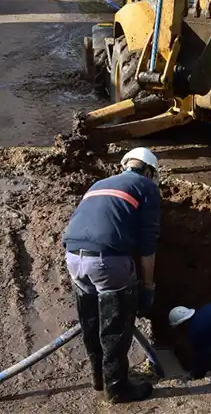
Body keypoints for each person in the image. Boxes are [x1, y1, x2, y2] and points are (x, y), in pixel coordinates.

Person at [62, 147, 161, 403]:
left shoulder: (99, 184)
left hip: (73, 258)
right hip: (107, 261)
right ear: (149, 171)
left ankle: (99, 378)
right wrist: (147, 286)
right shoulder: (146, 187)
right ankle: (117, 388)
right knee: (116, 328)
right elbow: (148, 244)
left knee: (92, 322)